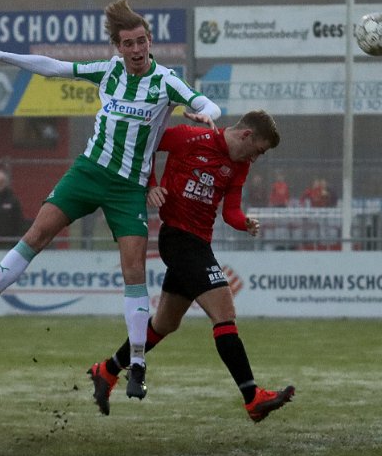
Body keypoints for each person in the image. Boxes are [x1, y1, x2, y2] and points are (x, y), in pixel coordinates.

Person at [0, 0, 222, 399]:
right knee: (37, 234)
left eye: (141, 41)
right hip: (89, 172)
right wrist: (0, 56)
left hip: (128, 187)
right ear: (118, 47)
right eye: (128, 43)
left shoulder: (166, 81)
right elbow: (54, 67)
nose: (136, 49)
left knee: (133, 270)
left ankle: (137, 364)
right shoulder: (110, 71)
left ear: (150, 41)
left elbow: (207, 103)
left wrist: (204, 114)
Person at [87, 110, 293, 421]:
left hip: (198, 244)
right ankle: (252, 397)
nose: (255, 159)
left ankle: (107, 370)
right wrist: (151, 185)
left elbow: (231, 212)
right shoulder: (189, 137)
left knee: (164, 323)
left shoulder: (239, 166)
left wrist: (244, 222)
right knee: (224, 312)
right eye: (258, 151)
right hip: (177, 239)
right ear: (246, 135)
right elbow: (144, 144)